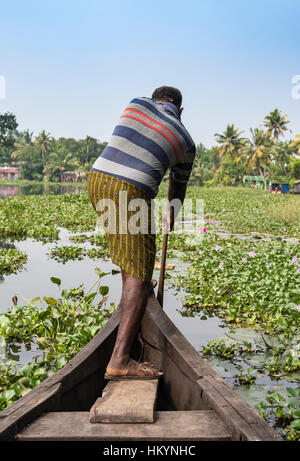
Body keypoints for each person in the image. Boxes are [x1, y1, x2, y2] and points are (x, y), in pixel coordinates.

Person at [88, 86, 195, 379]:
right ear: (180, 110)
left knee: (129, 255)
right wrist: (171, 213)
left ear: (155, 99)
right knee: (139, 272)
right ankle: (120, 360)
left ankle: (135, 301)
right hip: (131, 187)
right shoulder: (185, 140)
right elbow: (178, 186)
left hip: (97, 180)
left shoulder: (135, 103)